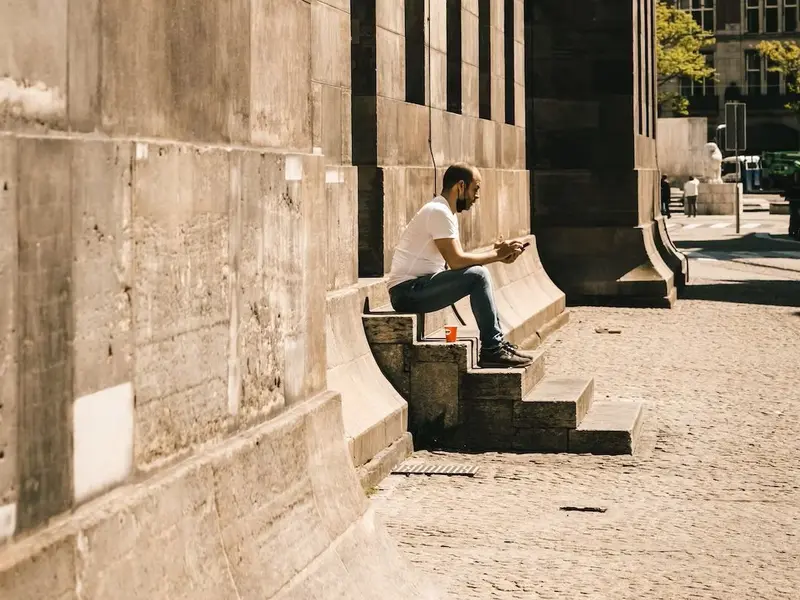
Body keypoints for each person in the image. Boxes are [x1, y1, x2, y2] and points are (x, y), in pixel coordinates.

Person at [387, 162, 536, 368]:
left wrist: (498, 255)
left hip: (416, 288)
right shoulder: (438, 211)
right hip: (407, 292)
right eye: (476, 189)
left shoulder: (443, 211)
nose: (477, 196)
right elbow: (457, 261)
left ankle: (496, 345)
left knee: (478, 274)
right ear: (460, 186)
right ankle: (493, 349)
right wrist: (496, 254)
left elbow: (455, 261)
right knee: (478, 275)